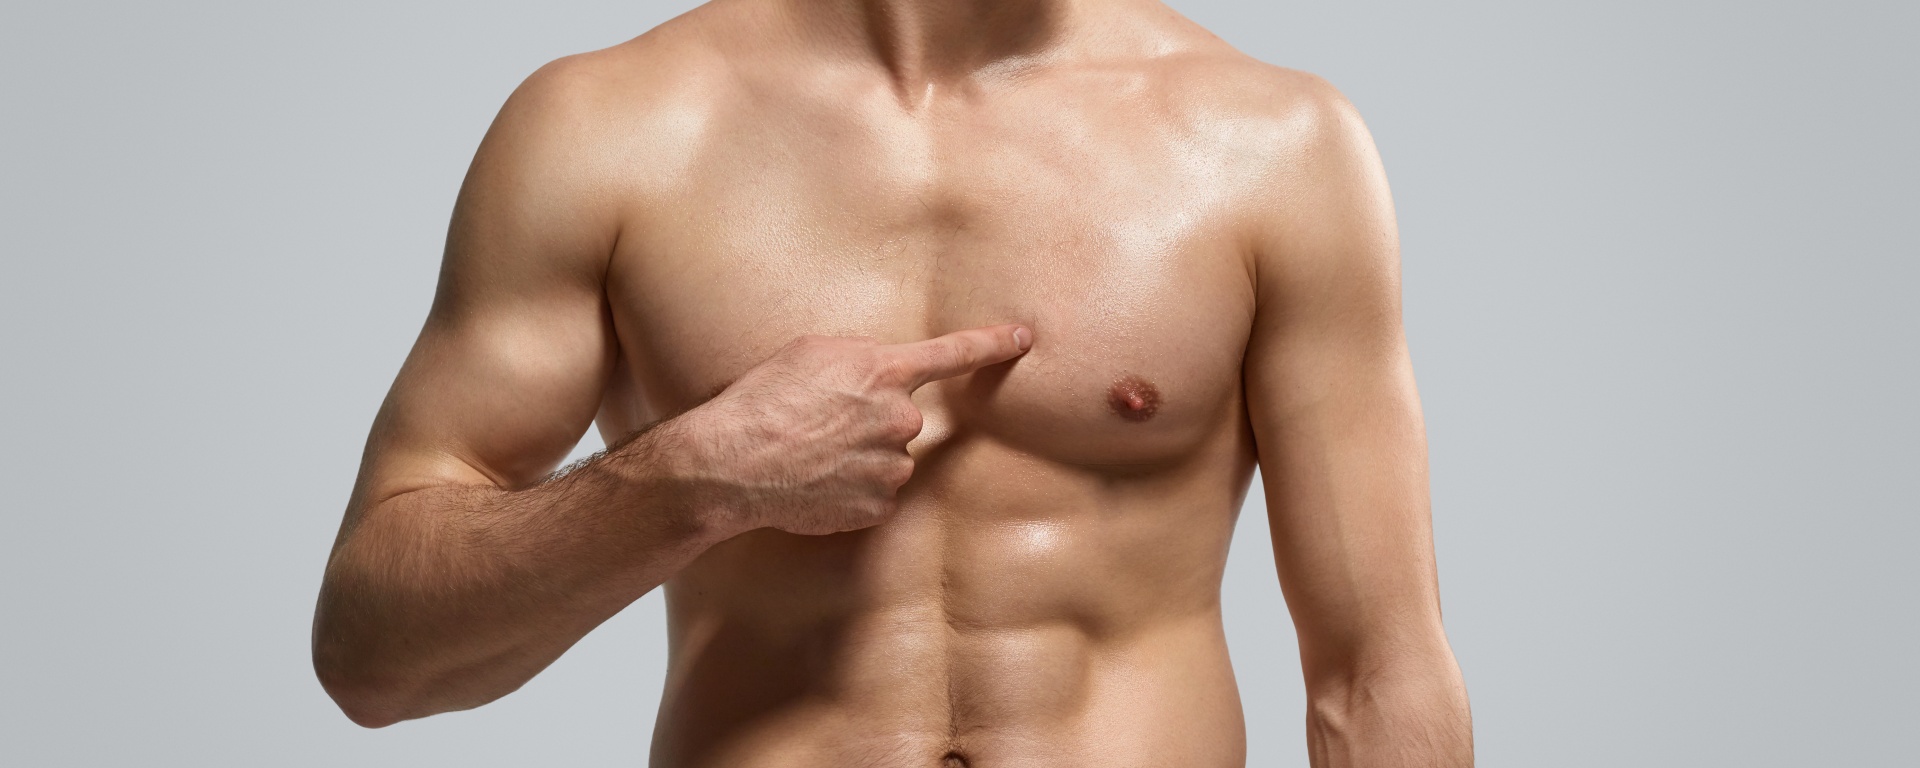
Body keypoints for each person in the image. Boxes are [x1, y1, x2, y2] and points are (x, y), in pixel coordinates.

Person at [310, 0, 1473, 765]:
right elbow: (374, 653)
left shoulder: (1274, 145)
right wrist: (690, 479)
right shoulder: (610, 130)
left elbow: (1379, 676)